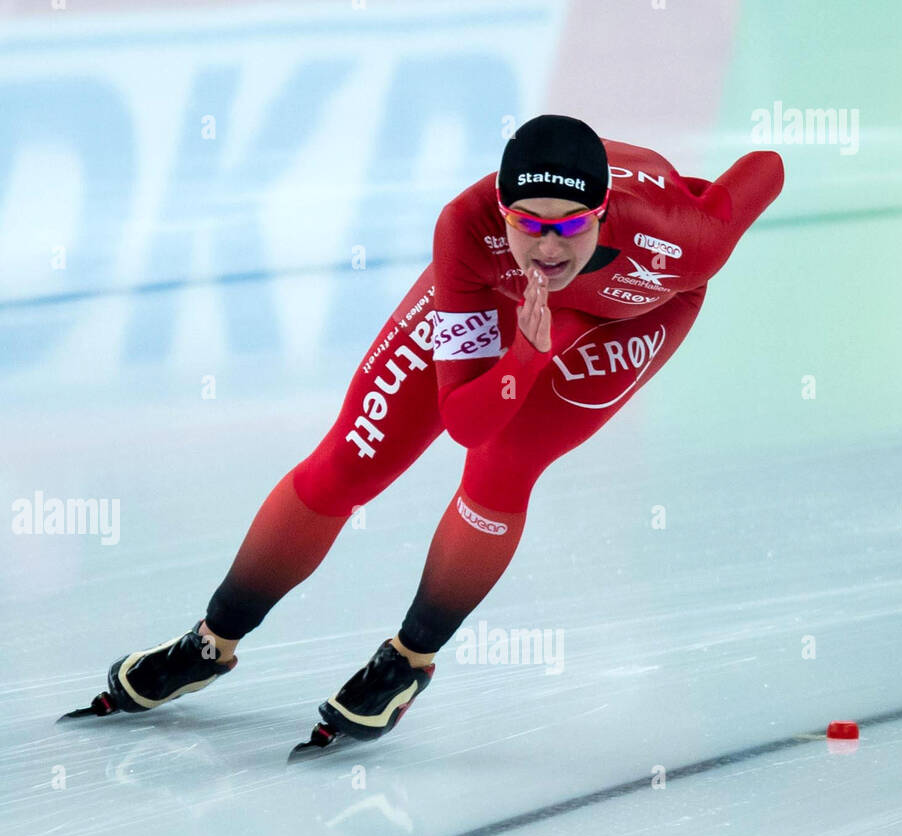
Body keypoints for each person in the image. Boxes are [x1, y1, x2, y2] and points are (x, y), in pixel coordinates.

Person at [64, 115, 784, 756]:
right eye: (528, 223)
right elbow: (464, 413)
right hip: (504, 308)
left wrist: (551, 344)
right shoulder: (465, 231)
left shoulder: (681, 240)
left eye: (571, 225)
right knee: (348, 459)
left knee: (501, 468)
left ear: (603, 213)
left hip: (628, 315)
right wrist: (524, 353)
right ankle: (209, 642)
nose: (548, 246)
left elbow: (765, 169)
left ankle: (407, 660)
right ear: (500, 212)